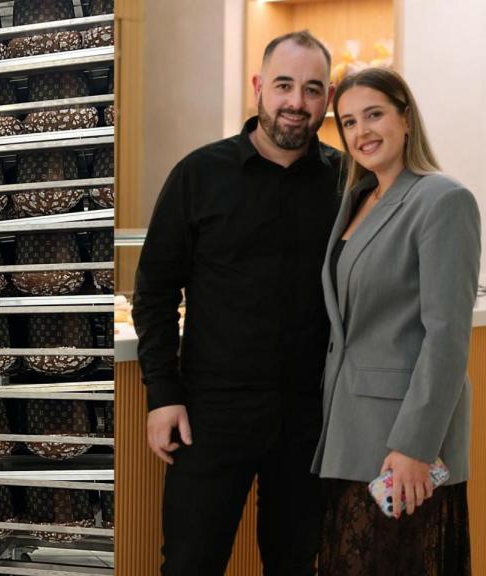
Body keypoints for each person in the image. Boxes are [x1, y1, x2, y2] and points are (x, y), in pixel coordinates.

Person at [132, 30, 342, 575]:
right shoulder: (199, 173)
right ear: (259, 88)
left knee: (296, 564)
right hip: (210, 414)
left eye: (313, 89)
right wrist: (162, 393)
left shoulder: (348, 181)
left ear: (329, 97)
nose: (297, 102)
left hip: (313, 417)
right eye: (284, 85)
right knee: (189, 564)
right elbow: (154, 290)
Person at [315, 67, 479, 575]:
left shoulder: (442, 199)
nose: (361, 131)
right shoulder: (357, 199)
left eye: (374, 115)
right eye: (348, 122)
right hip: (347, 431)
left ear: (405, 118)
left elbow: (447, 336)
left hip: (400, 444)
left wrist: (414, 445)